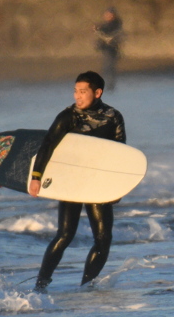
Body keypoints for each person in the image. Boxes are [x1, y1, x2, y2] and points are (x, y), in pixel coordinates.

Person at [29, 72, 126, 289]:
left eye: (83, 92)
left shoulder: (113, 117)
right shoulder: (68, 116)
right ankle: (41, 284)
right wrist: (36, 178)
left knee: (103, 240)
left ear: (97, 92)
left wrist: (118, 186)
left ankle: (87, 286)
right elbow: (47, 145)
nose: (77, 97)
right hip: (71, 182)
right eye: (75, 91)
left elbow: (121, 154)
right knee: (65, 235)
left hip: (97, 183)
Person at [94, 8, 123, 90]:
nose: (106, 16)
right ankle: (107, 85)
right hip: (106, 49)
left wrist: (99, 29)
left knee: (109, 67)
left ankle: (110, 86)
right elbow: (103, 29)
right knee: (106, 67)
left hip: (112, 49)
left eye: (109, 14)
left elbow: (109, 29)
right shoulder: (108, 24)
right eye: (106, 14)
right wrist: (97, 29)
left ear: (113, 15)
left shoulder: (115, 23)